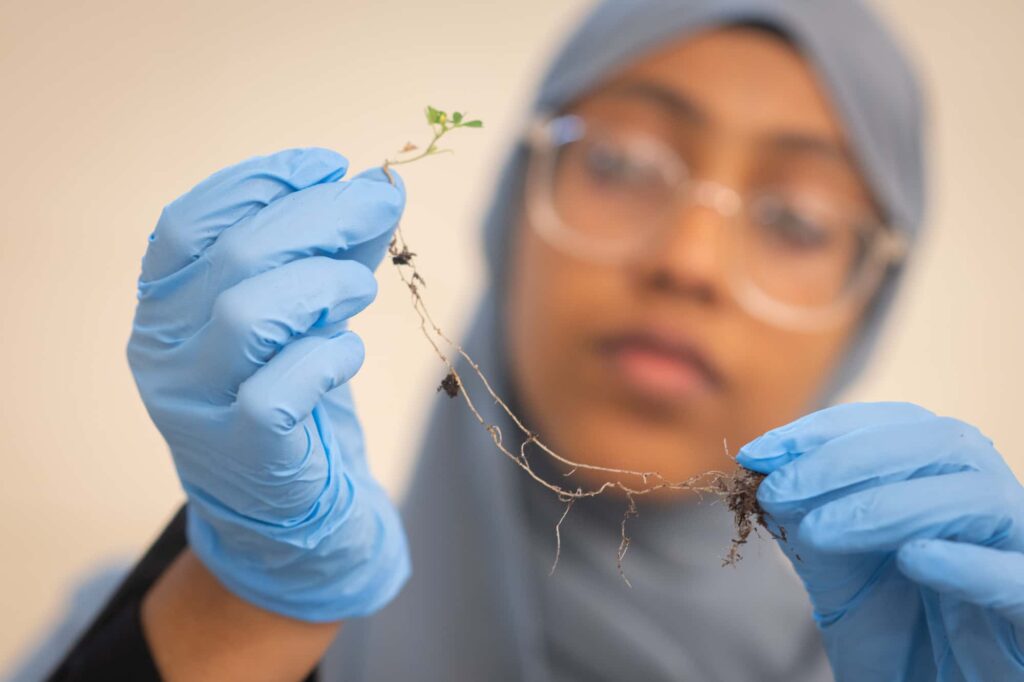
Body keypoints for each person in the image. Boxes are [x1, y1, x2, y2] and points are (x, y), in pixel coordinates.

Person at [43, 1, 1024, 680]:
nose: (687, 259)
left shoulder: (954, 652)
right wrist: (239, 616)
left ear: (866, 310)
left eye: (797, 222)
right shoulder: (197, 624)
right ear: (511, 210)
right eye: (621, 161)